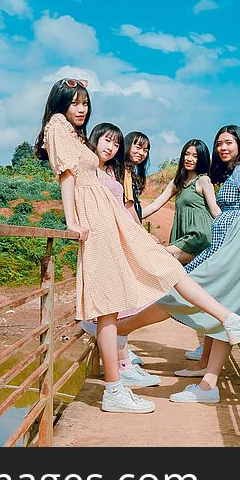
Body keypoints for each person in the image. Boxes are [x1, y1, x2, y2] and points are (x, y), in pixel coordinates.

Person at [34, 78, 240, 413]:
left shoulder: (70, 131)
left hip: (107, 214)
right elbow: (67, 176)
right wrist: (71, 220)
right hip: (95, 217)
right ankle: (116, 388)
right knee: (113, 299)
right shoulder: (57, 125)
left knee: (136, 286)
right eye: (75, 102)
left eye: (85, 103)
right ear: (60, 102)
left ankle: (118, 385)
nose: (81, 109)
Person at [101, 112, 240, 404]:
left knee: (189, 288)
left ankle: (121, 330)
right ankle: (209, 384)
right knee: (224, 308)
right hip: (235, 241)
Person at [180, 125, 240, 370]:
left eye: (229, 143)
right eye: (219, 144)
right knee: (214, 297)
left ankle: (123, 330)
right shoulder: (229, 173)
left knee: (190, 283)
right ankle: (204, 361)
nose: (222, 148)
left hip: (230, 244)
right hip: (222, 242)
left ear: (239, 145)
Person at [88, 122, 156, 382]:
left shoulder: (112, 171)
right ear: (95, 140)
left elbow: (127, 208)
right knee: (119, 301)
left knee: (123, 302)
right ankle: (123, 366)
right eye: (107, 140)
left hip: (118, 238)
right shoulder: (91, 171)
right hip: (107, 240)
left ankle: (124, 362)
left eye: (116, 143)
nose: (111, 147)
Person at [141, 139, 216, 265]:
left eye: (195, 156)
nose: (189, 158)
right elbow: (155, 205)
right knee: (174, 272)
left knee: (161, 258)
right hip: (183, 236)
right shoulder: (177, 183)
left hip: (200, 236)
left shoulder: (203, 180)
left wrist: (232, 231)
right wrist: (128, 218)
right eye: (187, 154)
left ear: (202, 159)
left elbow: (214, 209)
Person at [123, 131, 151, 225]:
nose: (141, 153)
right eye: (138, 147)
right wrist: (140, 230)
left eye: (145, 150)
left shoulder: (130, 172)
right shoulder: (125, 170)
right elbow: (128, 205)